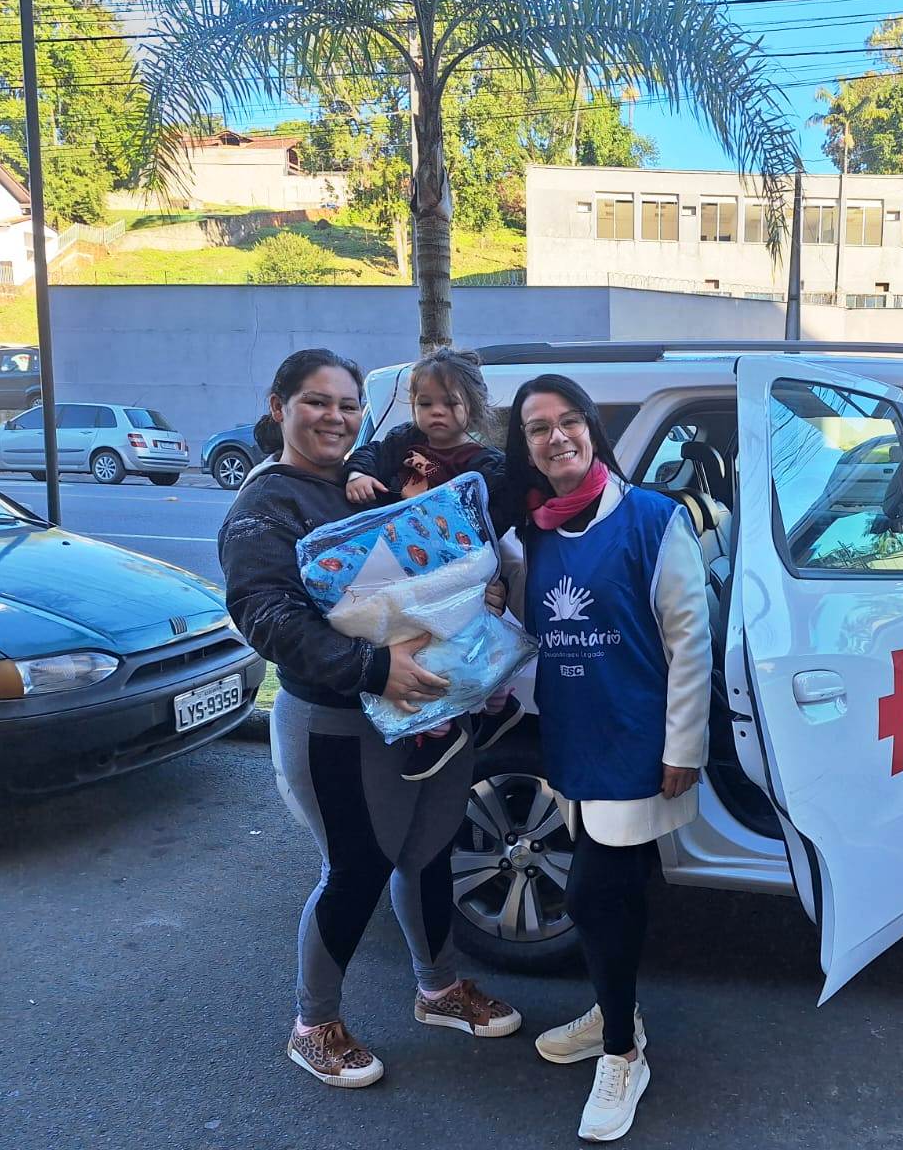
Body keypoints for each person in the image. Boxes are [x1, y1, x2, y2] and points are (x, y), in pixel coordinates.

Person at [218, 348, 521, 1090]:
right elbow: (265, 615)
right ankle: (313, 1025)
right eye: (316, 402)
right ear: (279, 407)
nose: (335, 418)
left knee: (430, 854)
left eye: (347, 405)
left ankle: (438, 989)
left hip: (433, 708)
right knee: (356, 870)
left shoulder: (375, 478)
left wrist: (482, 597)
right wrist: (374, 669)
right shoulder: (267, 504)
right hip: (338, 724)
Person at [500, 374, 712, 1142]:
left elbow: (690, 639)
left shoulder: (653, 519)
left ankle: (623, 1052)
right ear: (525, 447)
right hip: (571, 739)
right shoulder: (530, 537)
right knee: (610, 891)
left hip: (637, 740)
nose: (556, 436)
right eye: (538, 428)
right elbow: (518, 629)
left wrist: (684, 745)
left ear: (591, 428)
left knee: (592, 895)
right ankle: (610, 1008)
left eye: (569, 420)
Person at [345, 347, 524, 753]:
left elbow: (497, 519)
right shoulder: (403, 441)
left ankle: (461, 719)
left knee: (458, 642)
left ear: (472, 407)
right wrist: (357, 473)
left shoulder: (487, 463)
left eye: (450, 403)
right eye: (425, 403)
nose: (436, 412)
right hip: (404, 565)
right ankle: (452, 723)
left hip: (457, 570)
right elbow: (369, 453)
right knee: (419, 645)